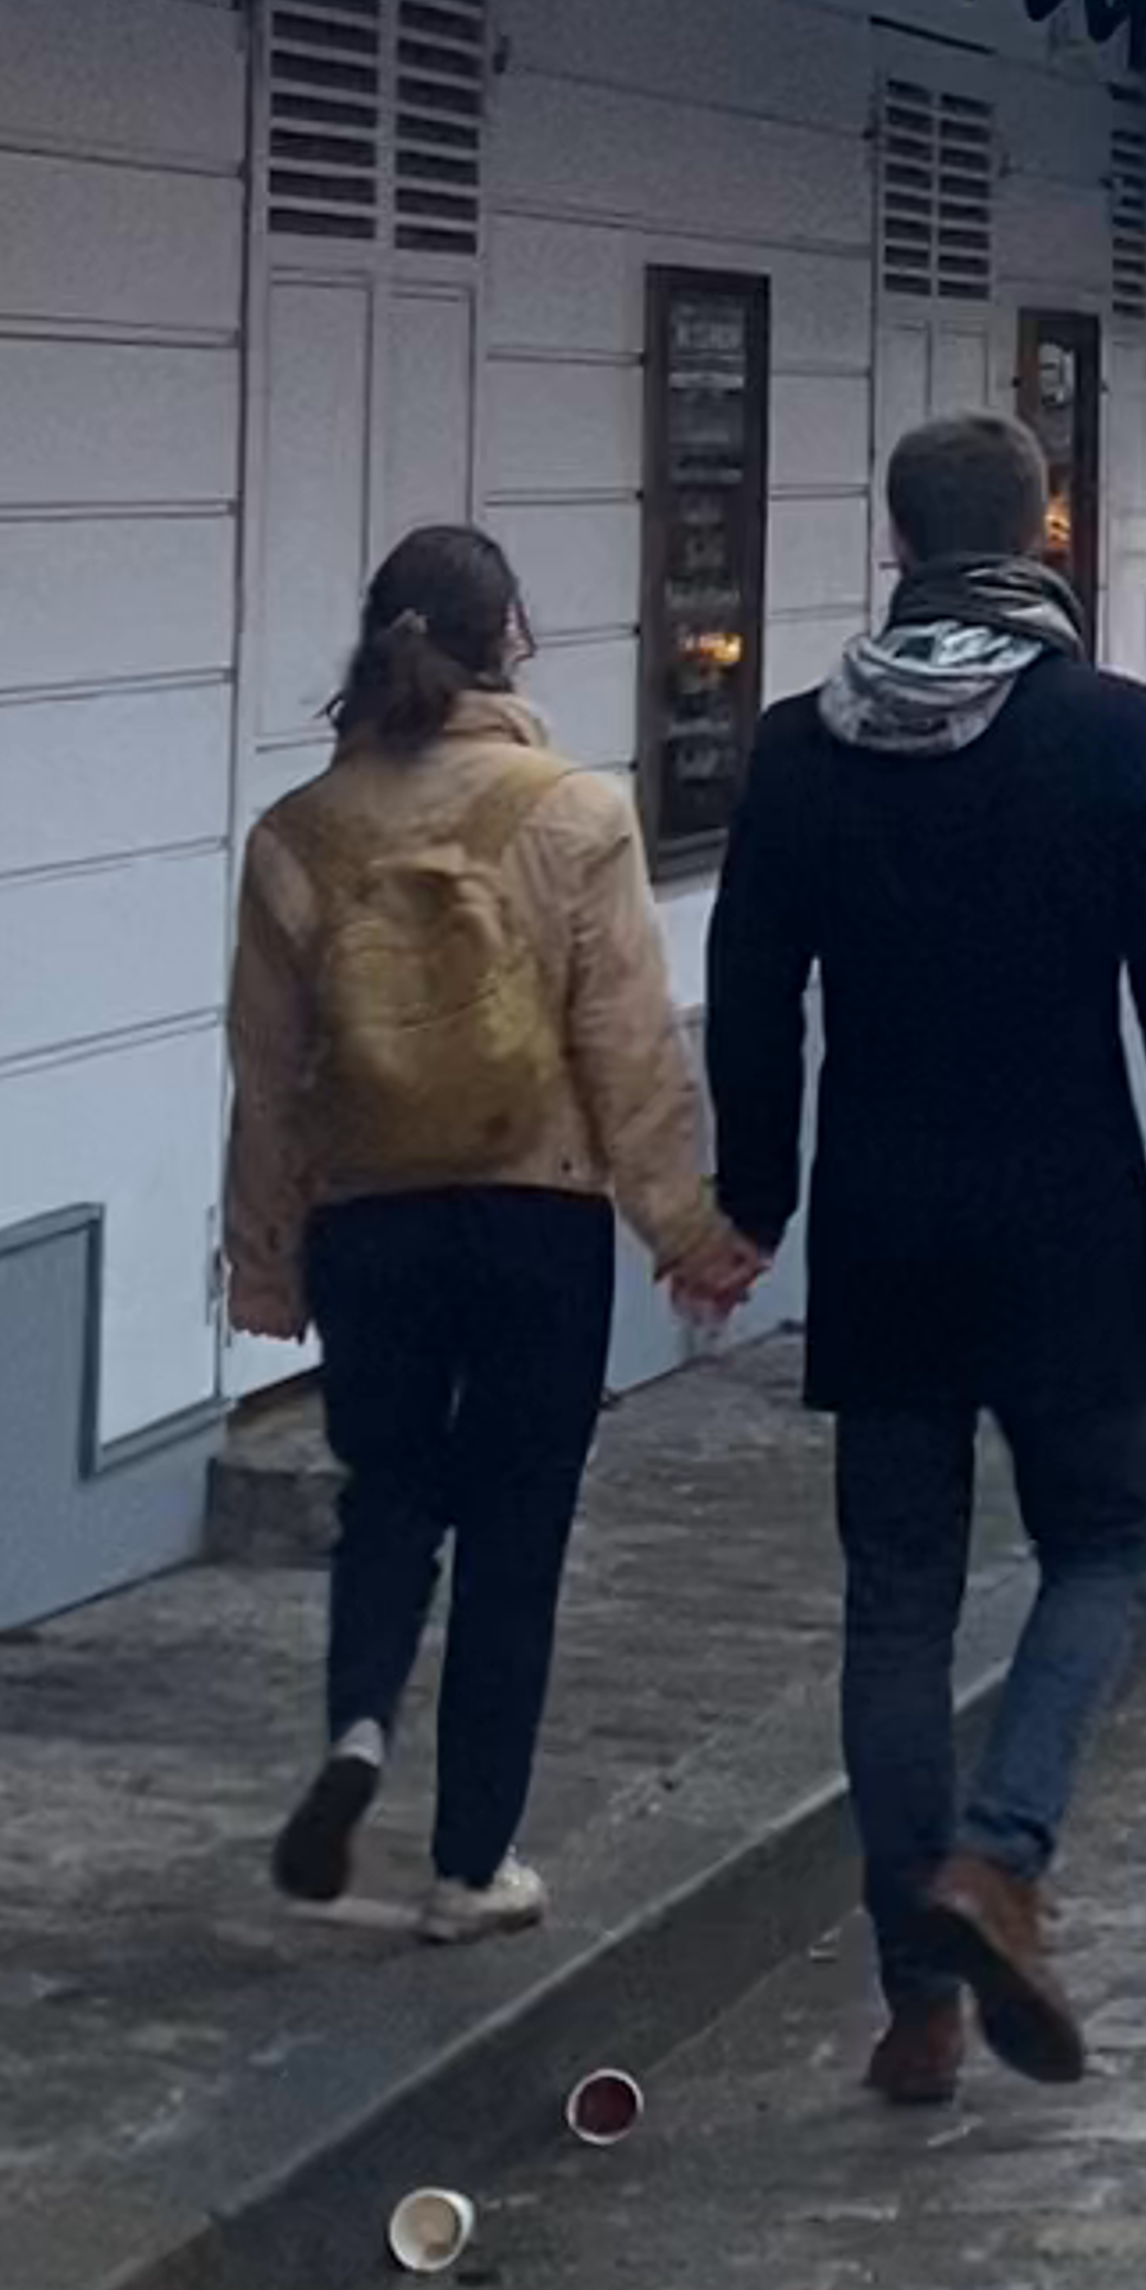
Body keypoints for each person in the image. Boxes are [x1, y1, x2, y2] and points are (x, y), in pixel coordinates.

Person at [707, 412, 1146, 2105]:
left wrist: (758, 1197)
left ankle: (917, 2002)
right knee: (1104, 1537)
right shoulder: (1115, 736)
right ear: (1045, 531)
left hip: (884, 1223)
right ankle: (1001, 1854)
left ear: (899, 538)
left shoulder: (805, 746)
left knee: (895, 1601)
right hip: (1067, 1213)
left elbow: (747, 995)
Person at [229, 525, 754, 1939]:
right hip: (539, 1215)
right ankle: (473, 1864)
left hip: (370, 1221)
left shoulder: (295, 833)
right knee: (518, 1533)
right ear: (510, 633)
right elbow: (629, 1049)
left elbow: (267, 1077)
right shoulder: (574, 812)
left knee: (389, 1494)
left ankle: (355, 1728)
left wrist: (267, 1258)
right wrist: (686, 1226)